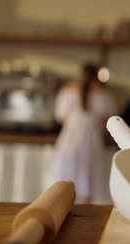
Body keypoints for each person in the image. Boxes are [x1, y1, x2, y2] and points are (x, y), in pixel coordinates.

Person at [49, 63, 116, 204]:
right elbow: (108, 122)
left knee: (67, 174)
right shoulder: (103, 93)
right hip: (91, 140)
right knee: (88, 179)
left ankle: (64, 208)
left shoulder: (67, 91)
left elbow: (60, 116)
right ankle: (84, 212)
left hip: (70, 138)